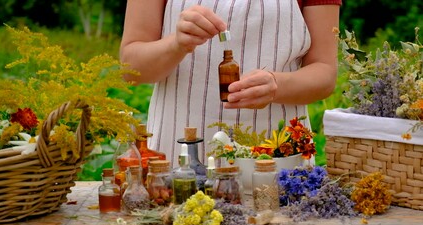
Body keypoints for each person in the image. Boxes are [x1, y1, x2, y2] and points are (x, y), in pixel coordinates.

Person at [119, 0, 342, 167]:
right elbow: (131, 68)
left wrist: (277, 85)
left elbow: (324, 73)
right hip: (175, 162)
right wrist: (176, 44)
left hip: (277, 162)